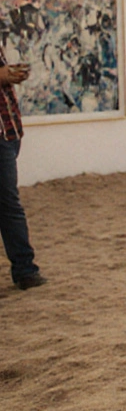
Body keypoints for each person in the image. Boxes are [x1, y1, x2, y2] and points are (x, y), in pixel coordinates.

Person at [0, 48, 43, 290]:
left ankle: (25, 269)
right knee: (9, 204)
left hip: (8, 131)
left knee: (8, 205)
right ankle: (25, 270)